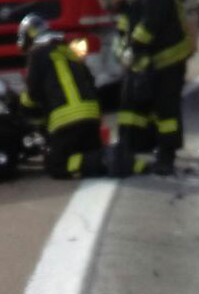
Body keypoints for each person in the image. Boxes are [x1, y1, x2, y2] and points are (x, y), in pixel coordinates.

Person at [104, 0, 193, 176]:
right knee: (133, 105)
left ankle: (167, 156)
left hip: (169, 56)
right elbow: (133, 15)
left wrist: (135, 46)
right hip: (148, 57)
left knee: (166, 110)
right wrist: (122, 35)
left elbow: (153, 18)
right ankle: (130, 148)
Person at [15, 14, 141, 179]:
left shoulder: (36, 54)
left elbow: (32, 95)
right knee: (85, 155)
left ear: (28, 39)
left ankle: (105, 158)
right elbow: (90, 80)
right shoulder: (68, 50)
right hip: (91, 118)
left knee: (56, 165)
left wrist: (22, 109)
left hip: (66, 122)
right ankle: (115, 158)